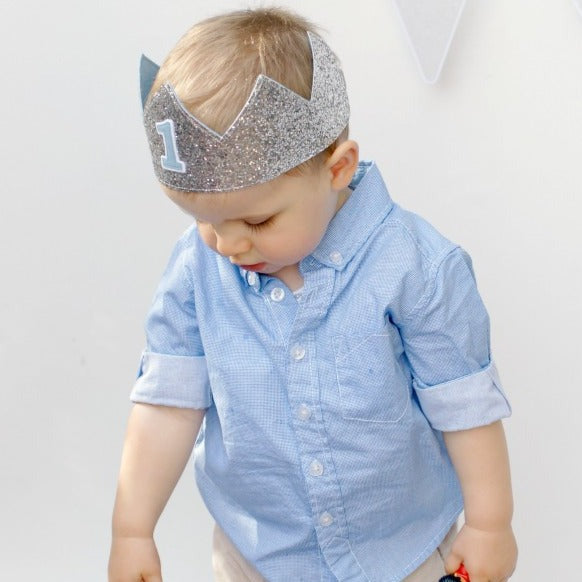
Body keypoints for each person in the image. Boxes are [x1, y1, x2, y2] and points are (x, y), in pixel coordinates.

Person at [108, 8, 517, 582]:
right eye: (205, 220)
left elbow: (463, 405)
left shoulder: (415, 267)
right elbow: (167, 403)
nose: (227, 244)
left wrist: (490, 522)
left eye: (256, 220)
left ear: (338, 169)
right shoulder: (196, 268)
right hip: (256, 551)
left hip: (399, 547)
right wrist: (132, 528)